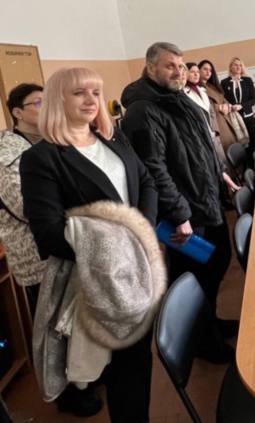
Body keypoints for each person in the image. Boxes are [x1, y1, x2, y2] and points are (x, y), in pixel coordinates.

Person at [20, 68, 159, 423]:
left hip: (137, 270)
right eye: (79, 92)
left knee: (139, 360)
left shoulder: (112, 140)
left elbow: (146, 182)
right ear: (57, 100)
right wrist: (118, 243)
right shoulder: (42, 158)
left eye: (96, 92)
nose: (91, 100)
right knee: (125, 370)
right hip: (98, 279)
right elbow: (48, 233)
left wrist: (141, 228)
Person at [120, 43, 236, 363]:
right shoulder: (143, 111)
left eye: (182, 65)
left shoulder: (176, 99)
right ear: (151, 68)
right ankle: (202, 341)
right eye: (170, 65)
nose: (179, 71)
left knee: (217, 261)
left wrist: (220, 173)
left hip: (203, 199)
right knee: (194, 274)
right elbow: (152, 169)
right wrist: (178, 214)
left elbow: (201, 146)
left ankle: (209, 323)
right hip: (181, 215)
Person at [0, 84, 45, 316]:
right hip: (37, 257)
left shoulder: (50, 141)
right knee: (56, 329)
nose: (46, 107)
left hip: (66, 250)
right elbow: (26, 207)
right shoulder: (7, 153)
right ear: (18, 113)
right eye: (38, 103)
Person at [184, 62, 240, 193]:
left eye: (197, 72)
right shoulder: (184, 93)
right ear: (185, 74)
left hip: (214, 133)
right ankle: (224, 195)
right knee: (213, 170)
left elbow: (211, 113)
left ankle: (229, 194)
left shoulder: (202, 90)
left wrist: (214, 131)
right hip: (202, 137)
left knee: (223, 165)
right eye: (192, 72)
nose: (196, 74)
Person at [221, 57, 255, 159]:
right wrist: (230, 106)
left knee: (251, 142)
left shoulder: (248, 80)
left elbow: (253, 100)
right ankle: (243, 166)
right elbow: (222, 99)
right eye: (235, 65)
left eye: (240, 65)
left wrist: (241, 106)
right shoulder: (224, 82)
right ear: (231, 67)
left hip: (247, 116)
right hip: (233, 117)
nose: (238, 67)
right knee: (238, 142)